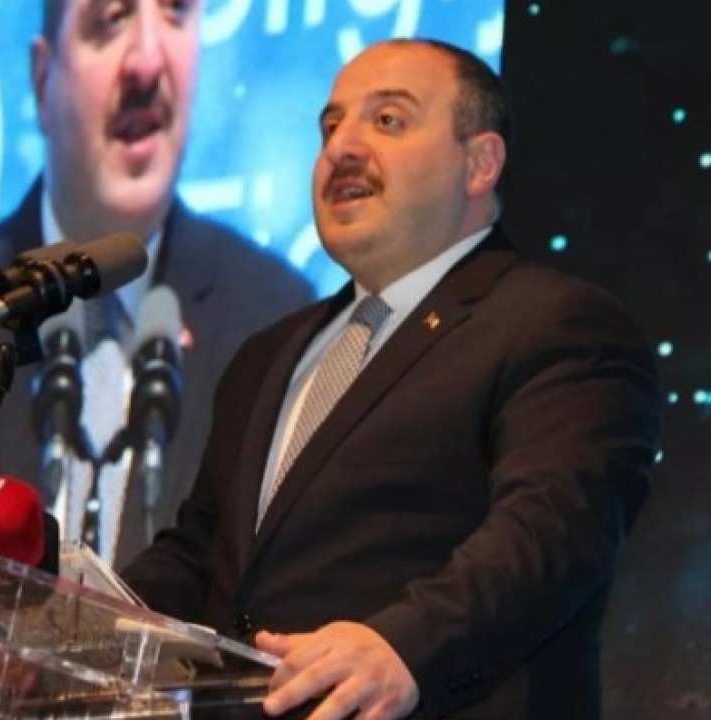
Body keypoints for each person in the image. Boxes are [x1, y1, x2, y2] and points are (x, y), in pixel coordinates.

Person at [121, 39, 663, 719]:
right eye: (330, 126)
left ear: (480, 163)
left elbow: (553, 529)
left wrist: (405, 645)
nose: (341, 148)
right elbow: (205, 550)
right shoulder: (268, 354)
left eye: (387, 121)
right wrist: (76, 620)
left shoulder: (555, 323)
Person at [0, 0, 313, 564]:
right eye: (112, 19)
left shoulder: (276, 326)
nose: (147, 62)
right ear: (42, 78)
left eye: (175, 12)